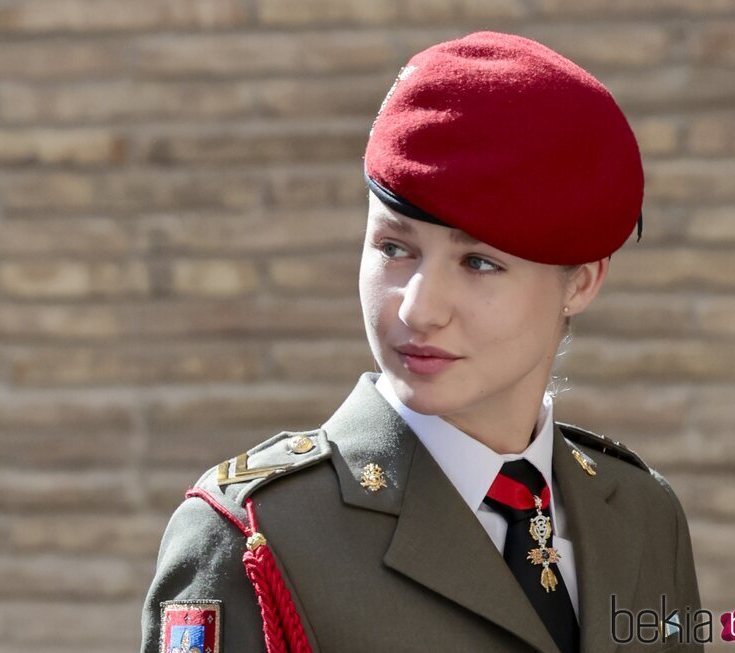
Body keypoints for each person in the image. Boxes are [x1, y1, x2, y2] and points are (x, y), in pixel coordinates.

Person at [140, 31, 702, 653]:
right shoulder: (256, 537)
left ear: (582, 282)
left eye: (480, 263)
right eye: (394, 248)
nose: (418, 308)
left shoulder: (643, 517)